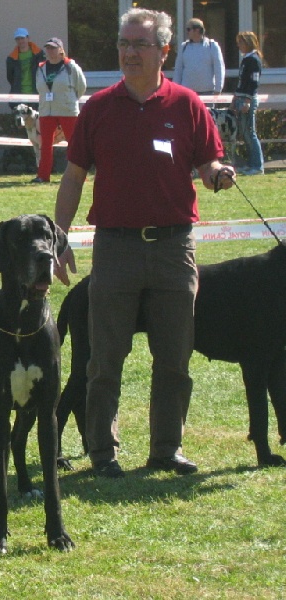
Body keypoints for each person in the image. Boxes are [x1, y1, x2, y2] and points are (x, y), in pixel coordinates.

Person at [53, 8, 235, 479]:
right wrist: (59, 236)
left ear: (163, 52)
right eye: (124, 43)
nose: (129, 53)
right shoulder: (98, 108)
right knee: (104, 359)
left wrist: (218, 173)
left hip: (174, 249)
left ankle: (166, 449)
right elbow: (73, 177)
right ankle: (102, 452)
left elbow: (208, 163)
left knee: (174, 358)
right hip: (116, 248)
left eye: (140, 44)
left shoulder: (186, 104)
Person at [32, 37, 86, 184]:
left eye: (53, 48)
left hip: (67, 110)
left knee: (74, 145)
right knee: (45, 145)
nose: (50, 51)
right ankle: (43, 176)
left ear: (61, 50)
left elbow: (81, 87)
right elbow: (39, 87)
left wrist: (69, 100)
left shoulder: (71, 66)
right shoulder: (41, 67)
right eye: (48, 48)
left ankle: (78, 174)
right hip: (46, 111)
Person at [234, 31, 264, 176]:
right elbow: (242, 81)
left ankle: (257, 166)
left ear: (248, 43)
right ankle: (251, 163)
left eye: (241, 42)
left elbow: (253, 82)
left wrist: (247, 100)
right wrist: (235, 98)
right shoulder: (246, 59)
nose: (239, 45)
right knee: (245, 133)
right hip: (241, 98)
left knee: (250, 133)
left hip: (247, 99)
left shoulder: (253, 60)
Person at [172, 18, 225, 95]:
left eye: (189, 29)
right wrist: (175, 89)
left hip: (207, 92)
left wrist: (218, 89)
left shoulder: (212, 46)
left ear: (197, 30)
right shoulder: (184, 47)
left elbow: (219, 68)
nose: (187, 32)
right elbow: (178, 70)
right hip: (187, 92)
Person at [6, 27, 44, 109]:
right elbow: (10, 77)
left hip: (37, 92)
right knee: (20, 117)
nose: (20, 41)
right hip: (19, 94)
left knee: (37, 117)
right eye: (18, 39)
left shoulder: (39, 54)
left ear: (28, 38)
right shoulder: (11, 58)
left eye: (22, 38)